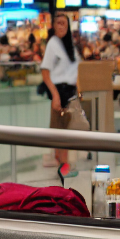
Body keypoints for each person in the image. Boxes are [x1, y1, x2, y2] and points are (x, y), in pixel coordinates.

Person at [41, 12, 81, 183]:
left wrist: (79, 92)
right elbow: (45, 72)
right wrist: (55, 95)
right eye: (58, 23)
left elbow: (77, 70)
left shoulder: (70, 46)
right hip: (60, 92)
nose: (61, 26)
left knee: (67, 131)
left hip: (71, 92)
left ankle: (64, 167)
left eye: (64, 23)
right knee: (61, 133)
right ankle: (63, 169)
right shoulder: (53, 44)